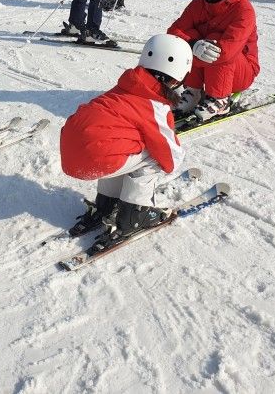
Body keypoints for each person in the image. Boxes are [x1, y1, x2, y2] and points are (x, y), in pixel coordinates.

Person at [60, 34, 192, 250]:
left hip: (71, 156)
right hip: (95, 160)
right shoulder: (154, 104)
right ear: (177, 79)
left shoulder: (124, 89)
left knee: (120, 144)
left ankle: (106, 204)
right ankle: (133, 216)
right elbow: (170, 153)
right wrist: (170, 167)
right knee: (155, 155)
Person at [167, 0, 259, 121]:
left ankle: (220, 99)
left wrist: (192, 49)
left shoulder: (243, 11)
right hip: (208, 69)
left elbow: (226, 52)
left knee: (213, 45)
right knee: (191, 37)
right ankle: (194, 91)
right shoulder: (198, 4)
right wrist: (192, 43)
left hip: (240, 72)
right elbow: (174, 31)